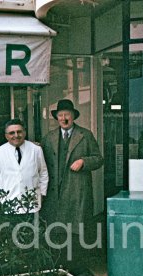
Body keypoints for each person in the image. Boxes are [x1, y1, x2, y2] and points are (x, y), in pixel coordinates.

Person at [41, 99, 103, 253]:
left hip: (77, 191)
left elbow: (98, 159)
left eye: (67, 114)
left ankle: (76, 266)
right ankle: (58, 263)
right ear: (57, 118)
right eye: (60, 115)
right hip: (55, 192)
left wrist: (84, 161)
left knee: (76, 231)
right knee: (56, 230)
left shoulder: (85, 135)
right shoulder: (49, 137)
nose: (63, 118)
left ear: (73, 116)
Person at [0, 118, 48, 214]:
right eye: (12, 133)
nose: (16, 135)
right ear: (6, 136)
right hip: (7, 206)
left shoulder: (36, 150)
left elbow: (43, 173)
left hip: (32, 205)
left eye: (19, 132)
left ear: (24, 132)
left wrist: (42, 194)